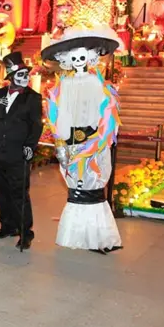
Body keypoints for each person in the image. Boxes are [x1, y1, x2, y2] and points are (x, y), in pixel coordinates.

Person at [42, 27, 124, 254]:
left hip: (94, 141)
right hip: (71, 141)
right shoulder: (63, 86)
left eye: (83, 58)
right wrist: (61, 140)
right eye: (75, 58)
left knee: (94, 184)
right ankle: (77, 235)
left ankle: (98, 237)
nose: (79, 62)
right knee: (76, 186)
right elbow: (59, 113)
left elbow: (106, 112)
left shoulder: (99, 84)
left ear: (90, 58)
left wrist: (100, 137)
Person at [0, 51, 43, 249]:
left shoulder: (33, 98)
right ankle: (7, 226)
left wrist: (30, 146)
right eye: (20, 74)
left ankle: (25, 232)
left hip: (17, 152)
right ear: (11, 77)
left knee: (19, 193)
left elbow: (36, 125)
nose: (25, 77)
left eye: (26, 74)